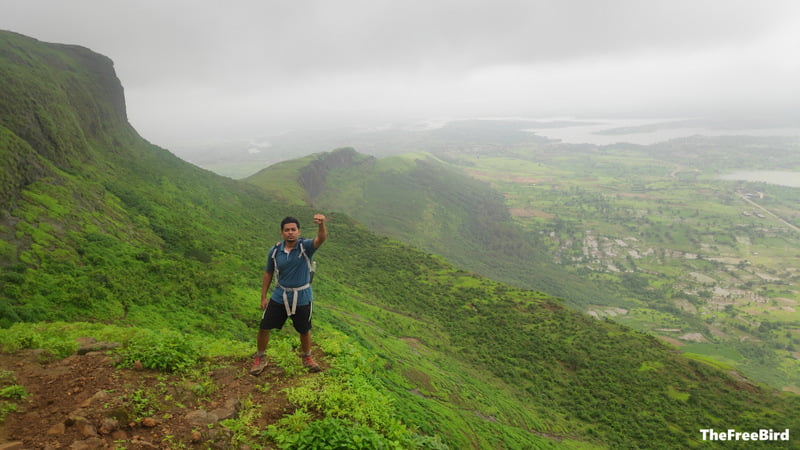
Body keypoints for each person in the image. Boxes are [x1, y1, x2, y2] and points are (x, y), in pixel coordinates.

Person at [251, 214, 327, 375]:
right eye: (287, 230)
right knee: (264, 326)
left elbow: (321, 239)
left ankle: (307, 357)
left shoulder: (305, 247)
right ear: (282, 233)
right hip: (280, 294)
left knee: (304, 329)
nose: (290, 232)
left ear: (298, 232)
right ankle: (260, 357)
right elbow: (268, 273)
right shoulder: (275, 251)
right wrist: (263, 297)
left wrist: (321, 225)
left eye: (293, 229)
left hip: (302, 296)